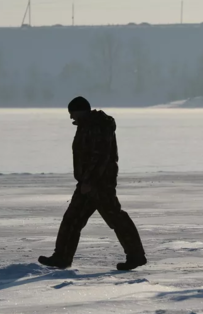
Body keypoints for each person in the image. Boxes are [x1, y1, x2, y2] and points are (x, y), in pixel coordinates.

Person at [38, 96, 147, 271]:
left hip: (99, 183)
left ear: (80, 110)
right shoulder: (87, 126)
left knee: (115, 218)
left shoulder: (98, 126)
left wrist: (90, 180)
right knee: (72, 219)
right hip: (87, 182)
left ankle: (136, 256)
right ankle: (61, 257)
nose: (71, 117)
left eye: (72, 113)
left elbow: (100, 156)